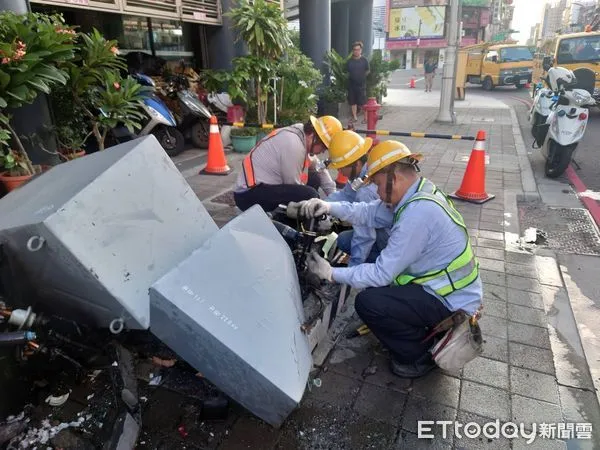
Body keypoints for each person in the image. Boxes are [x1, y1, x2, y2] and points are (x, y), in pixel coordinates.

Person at [290, 140, 482, 378]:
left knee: (369, 303)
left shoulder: (417, 215)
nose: (379, 193)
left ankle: (418, 356)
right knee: (378, 287)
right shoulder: (419, 191)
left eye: (379, 185)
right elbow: (367, 212)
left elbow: (382, 273)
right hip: (446, 287)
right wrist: (327, 206)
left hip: (450, 301)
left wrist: (330, 273)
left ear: (396, 178)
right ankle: (416, 329)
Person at [296, 130, 389, 266]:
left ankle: (378, 264)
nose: (339, 172)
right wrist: (322, 204)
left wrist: (353, 269)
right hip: (383, 231)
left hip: (388, 240)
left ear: (355, 163)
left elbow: (365, 236)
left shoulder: (366, 190)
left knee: (349, 242)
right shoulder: (364, 172)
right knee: (343, 239)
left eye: (341, 168)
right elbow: (345, 195)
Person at [233, 115, 342, 214]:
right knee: (309, 195)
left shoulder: (301, 133)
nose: (323, 152)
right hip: (248, 195)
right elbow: (294, 186)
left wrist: (333, 202)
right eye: (323, 147)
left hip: (261, 186)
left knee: (314, 179)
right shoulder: (294, 145)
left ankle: (294, 219)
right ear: (314, 137)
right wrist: (319, 207)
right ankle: (292, 226)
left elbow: (318, 167)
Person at [346, 41, 370, 124]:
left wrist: (361, 77)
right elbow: (348, 72)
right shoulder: (349, 61)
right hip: (351, 85)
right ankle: (355, 117)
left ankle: (366, 118)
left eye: (358, 49)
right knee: (352, 102)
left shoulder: (364, 60)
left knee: (362, 102)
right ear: (353, 51)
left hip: (361, 85)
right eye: (355, 49)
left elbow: (367, 70)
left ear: (361, 50)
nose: (356, 51)